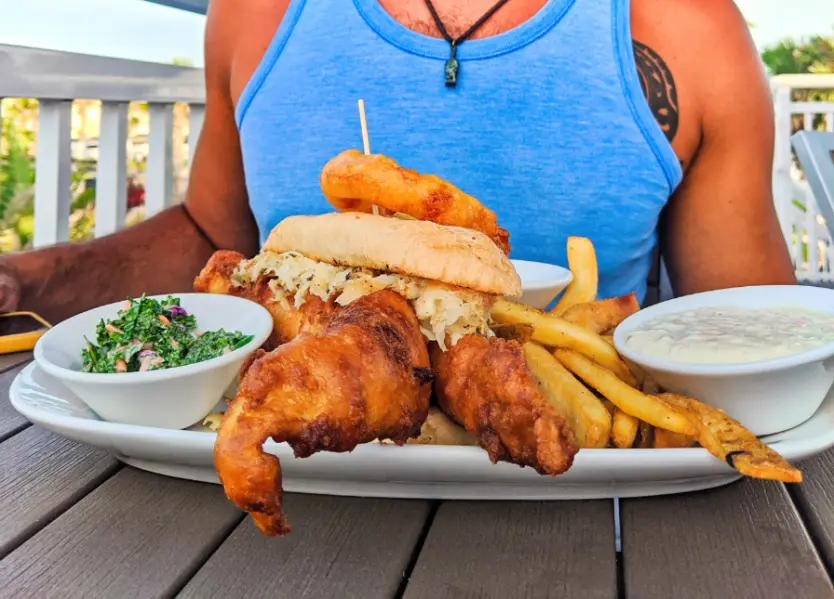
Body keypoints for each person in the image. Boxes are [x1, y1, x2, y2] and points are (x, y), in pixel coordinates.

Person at [0, 0, 795, 323]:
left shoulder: (690, 31)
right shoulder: (253, 13)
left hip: (585, 517)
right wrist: (33, 281)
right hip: (280, 505)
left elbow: (755, 336)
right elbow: (211, 230)